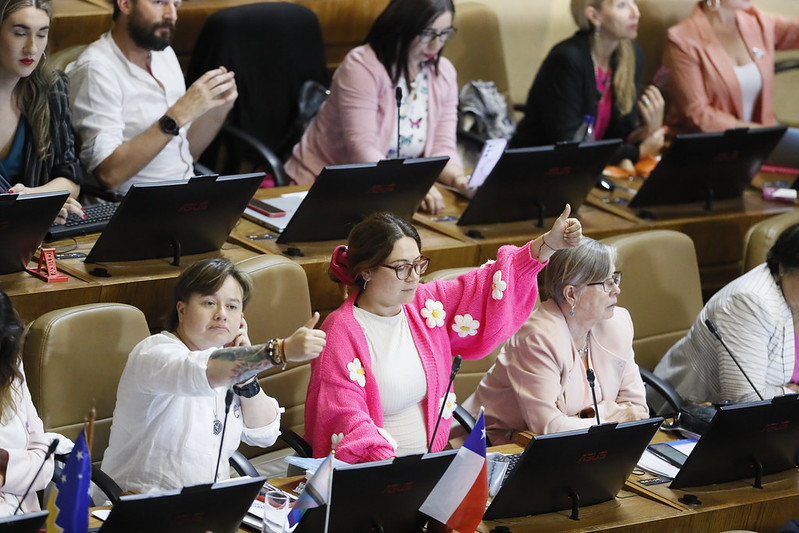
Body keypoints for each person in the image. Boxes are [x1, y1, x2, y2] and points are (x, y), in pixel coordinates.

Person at [304, 206, 583, 464]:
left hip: (432, 466)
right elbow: (344, 416)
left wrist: (547, 245)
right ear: (366, 272)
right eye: (402, 268)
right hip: (376, 473)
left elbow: (486, 286)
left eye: (418, 264)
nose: (414, 276)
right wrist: (390, 467)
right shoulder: (340, 331)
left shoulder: (425, 304)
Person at [100, 257, 326, 493]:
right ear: (182, 309)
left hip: (209, 507)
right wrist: (280, 350)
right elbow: (201, 371)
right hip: (139, 503)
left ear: (241, 320)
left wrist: (246, 377)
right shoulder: (154, 353)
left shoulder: (231, 361)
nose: (221, 314)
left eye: (232, 306)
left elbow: (265, 434)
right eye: (209, 303)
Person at [284, 0, 468, 214]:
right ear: (401, 27)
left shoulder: (443, 72)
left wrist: (460, 180)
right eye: (427, 34)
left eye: (444, 33)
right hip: (326, 188)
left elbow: (442, 146)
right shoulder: (361, 66)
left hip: (393, 195)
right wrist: (410, 185)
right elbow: (361, 149)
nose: (436, 45)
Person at [462, 238, 648, 444]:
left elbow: (638, 410)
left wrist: (580, 418)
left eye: (615, 278)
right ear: (571, 294)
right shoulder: (537, 338)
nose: (616, 290)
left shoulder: (617, 324)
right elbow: (550, 428)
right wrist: (612, 414)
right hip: (495, 446)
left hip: (578, 446)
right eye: (606, 282)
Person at [66, 0, 237, 195]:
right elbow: (109, 175)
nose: (171, 14)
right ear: (125, 4)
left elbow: (188, 152)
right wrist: (178, 114)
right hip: (132, 206)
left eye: (176, 4)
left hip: (185, 195)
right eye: (159, 2)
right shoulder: (96, 70)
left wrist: (220, 106)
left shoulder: (164, 55)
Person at [654, 223, 799, 405]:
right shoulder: (749, 302)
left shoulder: (789, 292)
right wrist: (789, 393)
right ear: (783, 268)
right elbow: (747, 399)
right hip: (686, 414)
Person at [510, 0, 665, 165]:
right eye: (622, 5)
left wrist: (645, 132)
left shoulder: (633, 57)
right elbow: (571, 148)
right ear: (593, 15)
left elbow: (618, 134)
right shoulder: (567, 60)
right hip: (538, 169)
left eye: (633, 2)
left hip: (589, 171)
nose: (636, 13)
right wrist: (637, 152)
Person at [0, 0, 82, 224]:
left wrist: (34, 197)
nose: (32, 48)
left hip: (31, 236)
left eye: (41, 35)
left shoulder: (52, 89)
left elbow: (71, 178)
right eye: (19, 33)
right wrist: (24, 207)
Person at [662, 0, 799, 134]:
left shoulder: (756, 22)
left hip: (764, 147)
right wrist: (766, 134)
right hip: (713, 148)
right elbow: (697, 114)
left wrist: (770, 137)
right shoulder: (682, 41)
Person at [0, 289, 54, 515]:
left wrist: (5, 473)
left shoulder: (10, 368)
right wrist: (16, 466)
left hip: (26, 520)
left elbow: (43, 459)